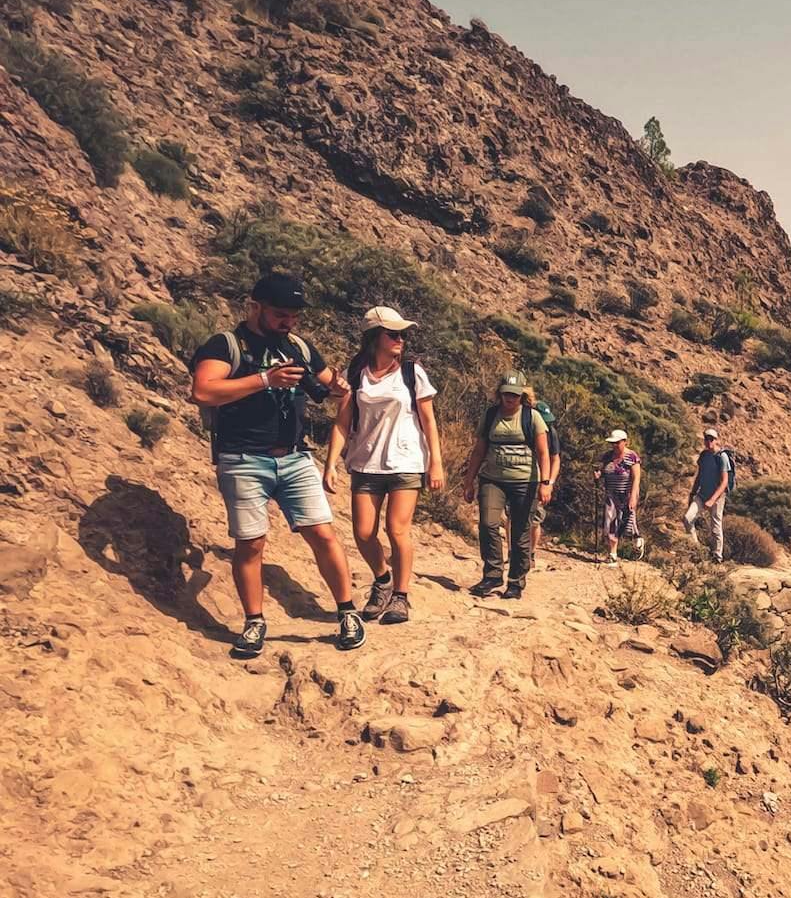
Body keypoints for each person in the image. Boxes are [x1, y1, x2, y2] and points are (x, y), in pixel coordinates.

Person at [189, 271, 361, 657]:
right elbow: (203, 390)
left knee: (323, 535)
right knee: (251, 544)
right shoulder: (226, 345)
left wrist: (336, 387)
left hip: (295, 456)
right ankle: (254, 622)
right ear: (256, 307)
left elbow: (327, 382)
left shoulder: (297, 345)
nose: (289, 322)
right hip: (243, 458)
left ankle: (347, 612)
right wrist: (265, 379)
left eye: (295, 316)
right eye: (281, 314)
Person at [323, 306, 442, 627]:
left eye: (403, 334)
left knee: (397, 529)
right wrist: (331, 463)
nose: (400, 339)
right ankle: (383, 579)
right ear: (375, 337)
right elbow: (343, 422)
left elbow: (429, 421)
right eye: (393, 334)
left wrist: (436, 464)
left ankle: (401, 597)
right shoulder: (356, 371)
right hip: (365, 462)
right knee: (363, 532)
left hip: (405, 461)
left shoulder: (411, 373)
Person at [461, 373, 552, 599]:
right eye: (506, 394)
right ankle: (492, 575)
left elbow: (543, 452)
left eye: (514, 394)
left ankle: (515, 582)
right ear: (499, 393)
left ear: (522, 395)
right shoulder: (491, 415)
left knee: (521, 532)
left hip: (525, 481)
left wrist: (546, 483)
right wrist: (469, 480)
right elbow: (479, 450)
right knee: (488, 524)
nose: (510, 398)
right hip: (492, 479)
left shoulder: (532, 417)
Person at [684, 427, 731, 561]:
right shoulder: (704, 456)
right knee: (688, 518)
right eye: (707, 439)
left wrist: (712, 500)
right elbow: (699, 476)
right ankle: (696, 550)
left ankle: (717, 557)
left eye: (712, 439)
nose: (709, 441)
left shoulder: (721, 457)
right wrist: (693, 492)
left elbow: (724, 482)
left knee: (715, 527)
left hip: (717, 497)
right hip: (701, 494)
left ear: (717, 440)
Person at [525, 385, 561, 559]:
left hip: (541, 479)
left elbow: (555, 458)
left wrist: (549, 482)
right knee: (512, 514)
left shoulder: (551, 433)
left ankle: (531, 552)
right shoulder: (524, 426)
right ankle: (512, 552)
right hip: (521, 475)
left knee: (535, 518)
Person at [599, 430, 643, 562]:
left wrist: (633, 496)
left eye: (617, 443)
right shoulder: (607, 456)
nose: (615, 446)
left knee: (627, 523)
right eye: (613, 443)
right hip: (611, 495)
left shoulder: (632, 457)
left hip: (626, 494)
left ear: (625, 442)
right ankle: (612, 554)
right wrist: (598, 475)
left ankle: (637, 539)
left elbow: (636, 478)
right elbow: (602, 470)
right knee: (610, 522)